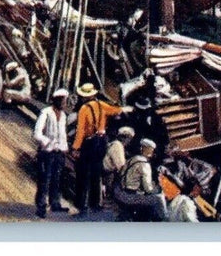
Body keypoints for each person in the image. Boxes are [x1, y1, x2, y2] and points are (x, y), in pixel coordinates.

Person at [72, 83, 131, 216]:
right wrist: (125, 109)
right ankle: (95, 206)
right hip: (101, 142)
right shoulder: (102, 105)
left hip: (89, 143)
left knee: (83, 175)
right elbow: (117, 110)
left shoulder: (84, 109)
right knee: (96, 173)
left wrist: (76, 148)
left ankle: (82, 207)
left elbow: (80, 131)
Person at [33, 88, 71, 219]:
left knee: (57, 178)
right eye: (63, 101)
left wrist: (64, 147)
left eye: (65, 101)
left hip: (59, 153)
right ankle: (41, 206)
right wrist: (47, 142)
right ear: (57, 100)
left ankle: (55, 202)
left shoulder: (64, 116)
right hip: (47, 152)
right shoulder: (46, 112)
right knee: (45, 179)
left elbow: (63, 135)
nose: (64, 104)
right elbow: (37, 133)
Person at [114, 138, 168, 221]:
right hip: (130, 197)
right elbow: (148, 189)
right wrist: (157, 188)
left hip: (120, 192)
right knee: (158, 198)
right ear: (149, 151)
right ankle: (164, 220)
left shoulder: (132, 159)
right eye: (152, 150)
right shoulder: (144, 165)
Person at [127, 97, 169, 175]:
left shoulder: (145, 117)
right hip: (157, 141)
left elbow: (141, 131)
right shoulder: (152, 114)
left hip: (155, 141)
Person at [102, 126, 135, 199]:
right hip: (106, 174)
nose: (129, 141)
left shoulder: (116, 144)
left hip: (107, 173)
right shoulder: (117, 146)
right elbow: (121, 166)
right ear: (126, 137)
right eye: (129, 139)